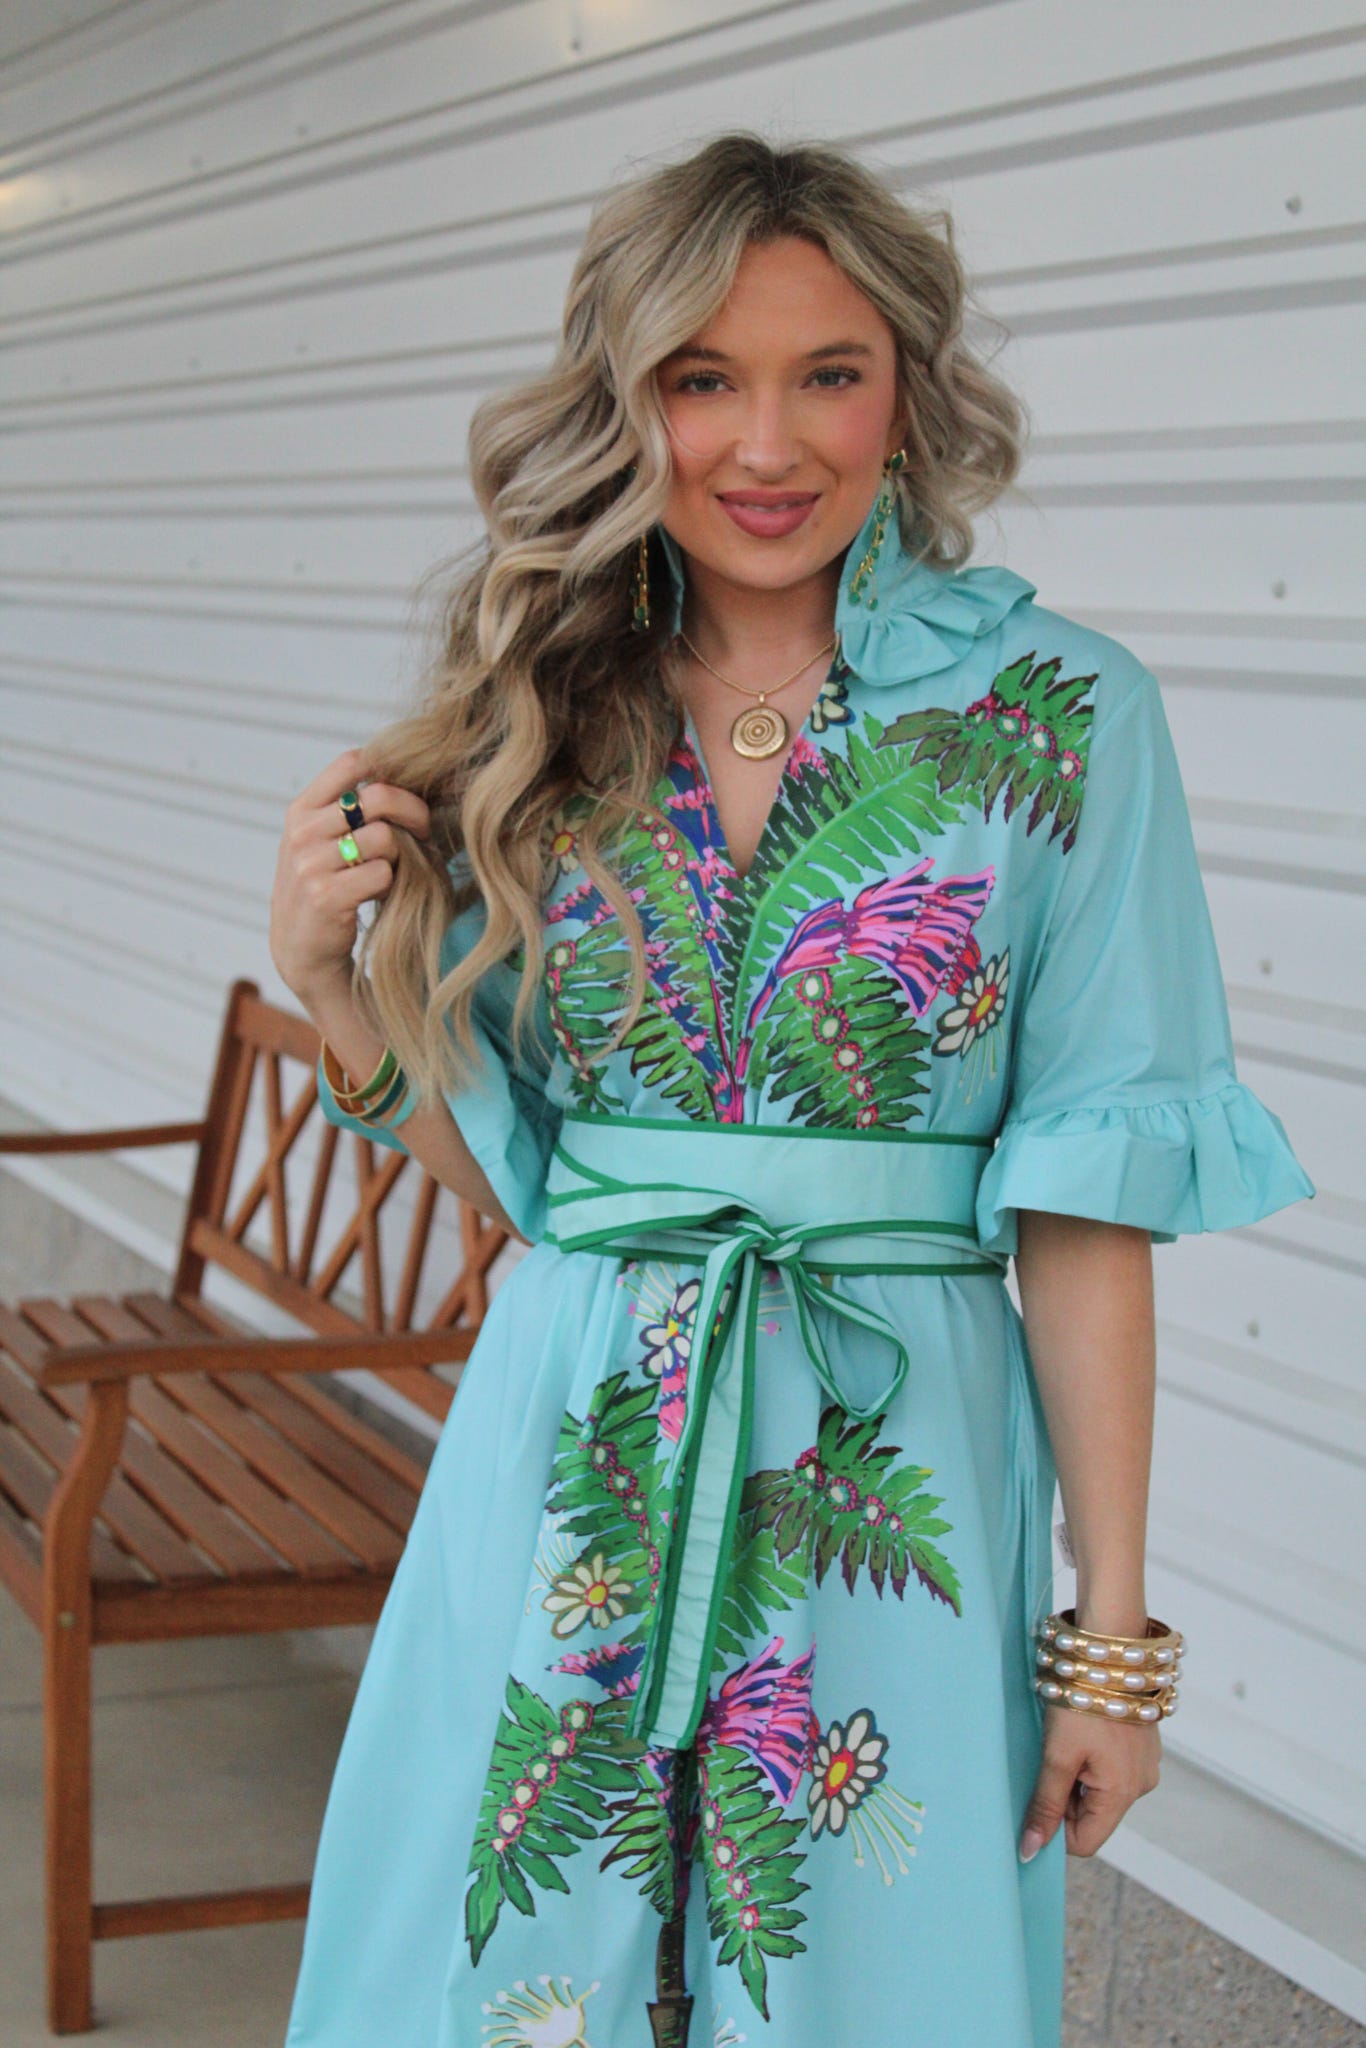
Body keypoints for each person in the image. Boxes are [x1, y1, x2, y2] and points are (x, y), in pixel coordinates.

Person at [272, 133, 1315, 2048]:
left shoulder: (1062, 715)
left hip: (893, 1463)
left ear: (906, 390)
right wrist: (336, 986)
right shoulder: (537, 705)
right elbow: (526, 1185)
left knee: (869, 1974)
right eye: (701, 380)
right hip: (565, 1440)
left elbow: (1087, 1204)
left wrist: (1109, 1640)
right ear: (624, 402)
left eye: (826, 373)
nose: (766, 445)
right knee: (507, 1966)